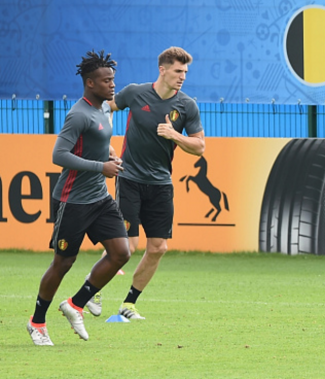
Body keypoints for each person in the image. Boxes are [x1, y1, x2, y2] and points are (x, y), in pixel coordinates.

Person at [27, 50, 131, 346]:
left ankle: (75, 305)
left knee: (121, 253)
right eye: (106, 80)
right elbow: (58, 155)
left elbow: (98, 140)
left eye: (113, 79)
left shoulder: (105, 110)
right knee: (63, 262)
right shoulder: (78, 114)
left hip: (99, 198)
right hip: (72, 201)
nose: (112, 85)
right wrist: (102, 166)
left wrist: (107, 152)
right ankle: (37, 323)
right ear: (89, 83)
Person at [94, 46, 205, 320]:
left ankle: (128, 304)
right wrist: (105, 142)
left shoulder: (186, 106)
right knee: (128, 247)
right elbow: (103, 107)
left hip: (161, 184)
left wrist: (174, 135)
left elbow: (200, 146)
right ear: (163, 69)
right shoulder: (135, 92)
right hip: (129, 179)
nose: (182, 77)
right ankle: (92, 288)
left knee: (158, 248)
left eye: (185, 72)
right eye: (178, 71)